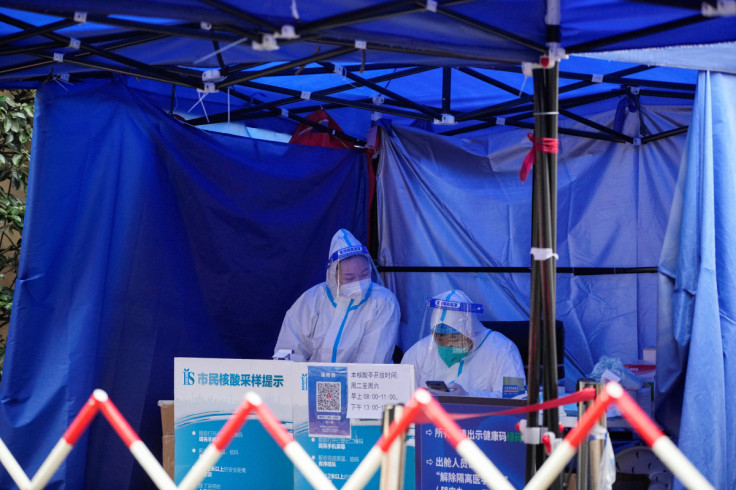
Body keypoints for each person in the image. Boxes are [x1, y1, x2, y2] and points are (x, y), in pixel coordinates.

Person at [273, 229, 400, 363]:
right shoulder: (312, 299)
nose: (358, 282)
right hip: (311, 381)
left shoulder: (383, 302)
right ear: (334, 276)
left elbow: (372, 359)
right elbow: (289, 346)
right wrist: (300, 379)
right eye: (349, 277)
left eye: (364, 274)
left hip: (362, 383)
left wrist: (341, 382)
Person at [402, 289, 525, 397]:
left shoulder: (503, 349)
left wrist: (468, 397)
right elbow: (402, 396)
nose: (446, 345)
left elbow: (516, 398)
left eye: (453, 338)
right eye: (439, 338)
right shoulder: (420, 351)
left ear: (469, 332)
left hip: (484, 422)